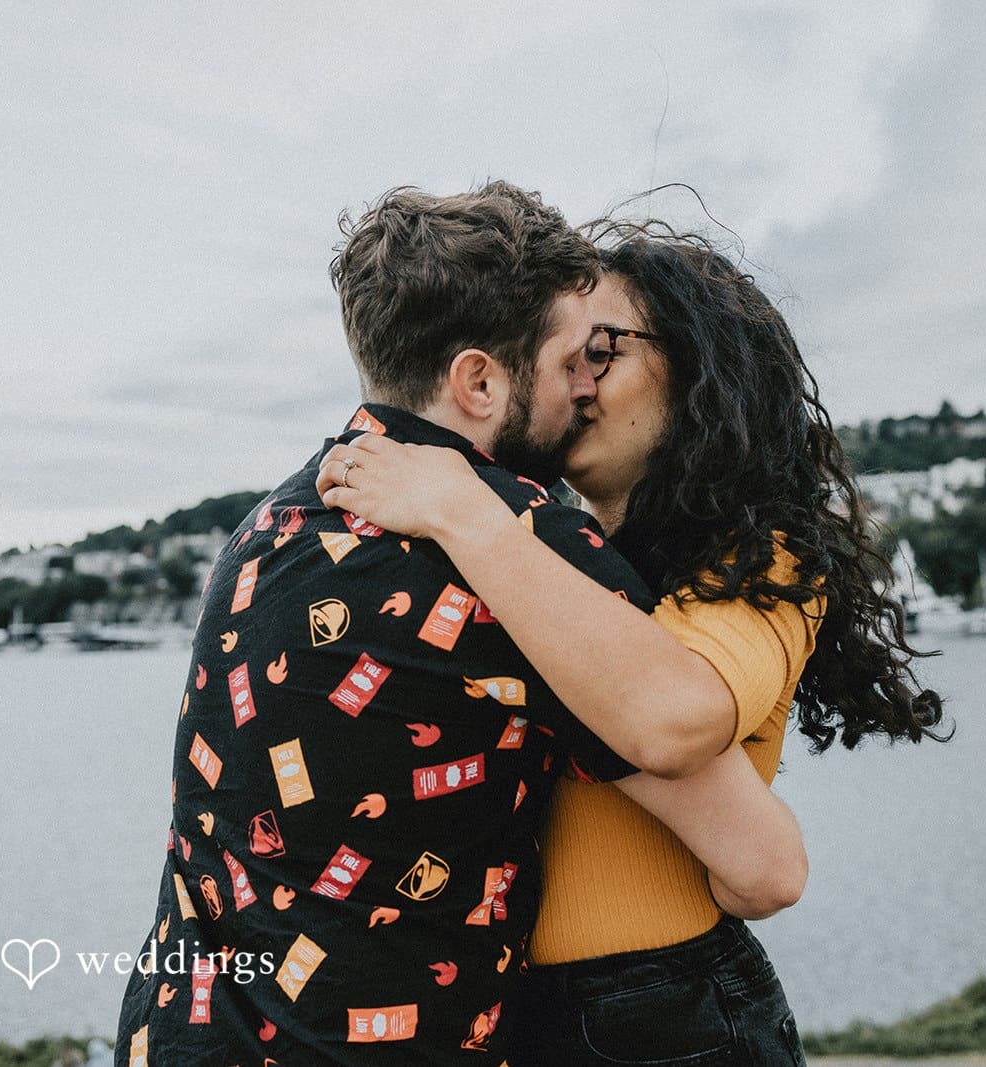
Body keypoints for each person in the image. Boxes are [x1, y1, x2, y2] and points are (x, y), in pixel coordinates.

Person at [115, 185, 809, 1066]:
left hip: (176, 1035)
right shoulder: (519, 546)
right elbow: (759, 859)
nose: (585, 387)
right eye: (572, 361)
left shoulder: (264, 533)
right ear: (479, 381)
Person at [316, 222, 946, 1065]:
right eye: (563, 356)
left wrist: (462, 510)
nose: (573, 381)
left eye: (602, 351)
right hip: (519, 1015)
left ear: (698, 369)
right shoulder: (540, 556)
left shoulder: (766, 558)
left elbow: (670, 718)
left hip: (664, 1008)